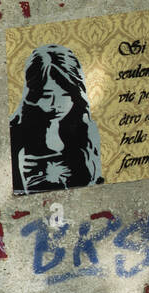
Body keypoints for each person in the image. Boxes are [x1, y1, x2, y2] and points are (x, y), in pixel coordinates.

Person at [10, 45, 103, 193]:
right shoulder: (16, 132)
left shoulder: (86, 129)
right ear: (32, 93)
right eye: (46, 96)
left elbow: (98, 182)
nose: (55, 105)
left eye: (65, 95)